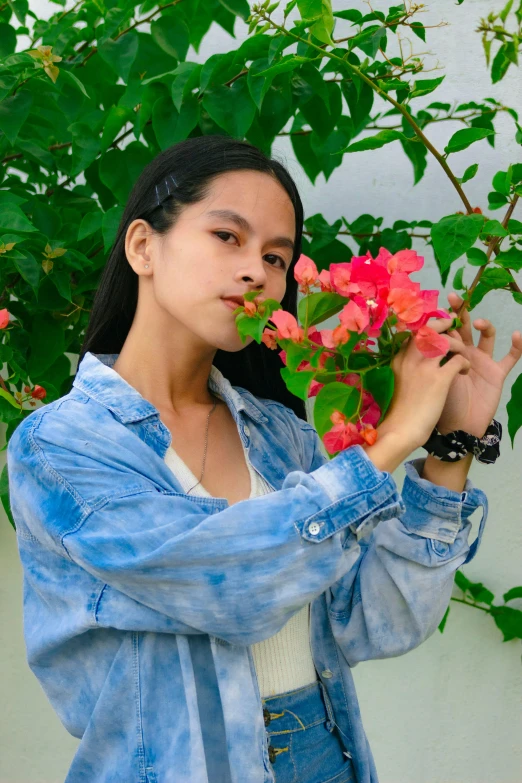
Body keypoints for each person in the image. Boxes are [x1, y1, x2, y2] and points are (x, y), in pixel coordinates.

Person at [7, 135, 521, 783]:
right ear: (143, 245)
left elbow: (372, 622)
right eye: (229, 236)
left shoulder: (279, 432)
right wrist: (389, 441)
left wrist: (452, 448)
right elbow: (232, 584)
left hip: (324, 755)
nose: (257, 271)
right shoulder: (62, 446)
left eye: (277, 256)